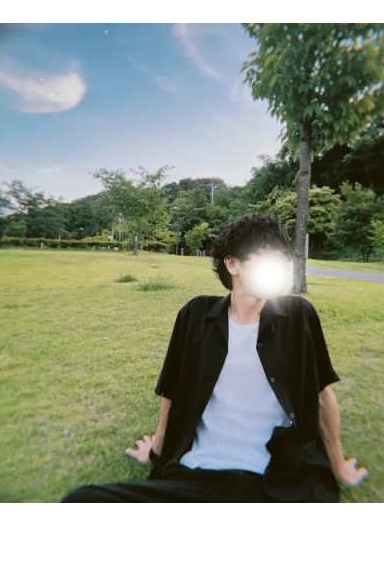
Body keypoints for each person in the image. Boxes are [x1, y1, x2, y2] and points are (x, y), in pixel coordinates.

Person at [61, 214, 368, 502]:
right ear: (232, 264)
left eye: (280, 257)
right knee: (82, 500)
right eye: (266, 256)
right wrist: (157, 448)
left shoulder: (298, 315)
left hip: (279, 481)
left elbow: (322, 394)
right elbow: (171, 390)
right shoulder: (196, 315)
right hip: (198, 473)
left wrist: (338, 467)